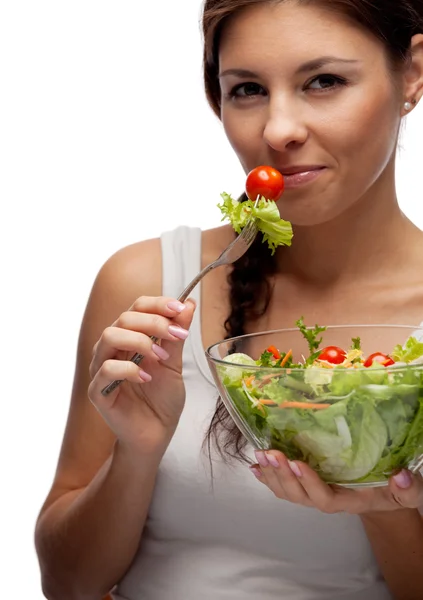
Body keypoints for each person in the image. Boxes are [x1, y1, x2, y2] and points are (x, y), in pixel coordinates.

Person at [35, 1, 423, 598]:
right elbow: (67, 584)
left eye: (324, 82)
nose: (277, 130)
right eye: (247, 90)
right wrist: (137, 453)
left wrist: (377, 501)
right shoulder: (147, 280)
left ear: (413, 74)